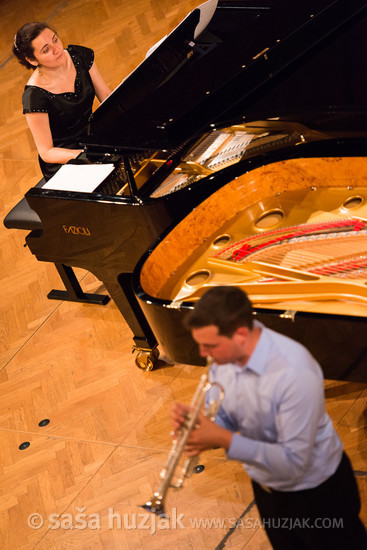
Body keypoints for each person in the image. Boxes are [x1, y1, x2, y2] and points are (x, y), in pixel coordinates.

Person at [172, 286, 367, 550]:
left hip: (318, 494)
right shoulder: (222, 361)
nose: (204, 354)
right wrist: (204, 431)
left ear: (240, 334)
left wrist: (223, 438)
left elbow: (294, 461)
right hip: (267, 486)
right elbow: (225, 416)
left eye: (210, 345)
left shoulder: (294, 372)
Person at [13, 22, 112, 180]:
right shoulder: (34, 96)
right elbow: (47, 152)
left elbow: (107, 98)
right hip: (65, 161)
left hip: (93, 138)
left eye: (55, 40)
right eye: (46, 50)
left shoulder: (80, 56)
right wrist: (87, 155)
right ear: (32, 60)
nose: (57, 49)